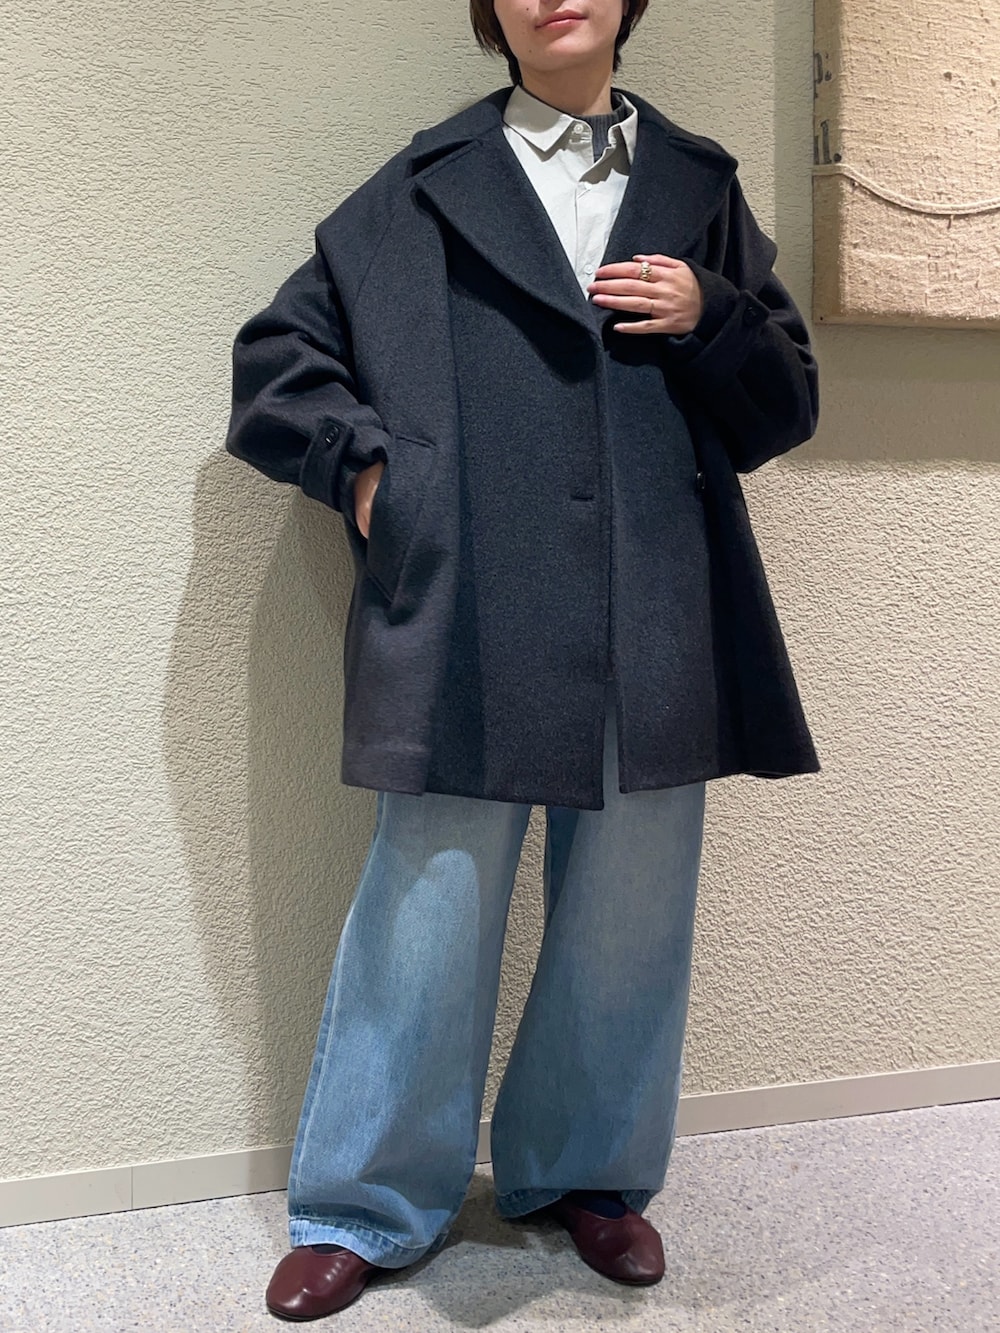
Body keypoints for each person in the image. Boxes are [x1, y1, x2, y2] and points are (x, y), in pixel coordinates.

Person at [225, 0, 820, 1321]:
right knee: (426, 908)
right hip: (468, 609)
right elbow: (276, 363)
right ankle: (365, 1203)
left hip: (656, 600)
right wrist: (368, 476)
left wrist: (714, 312)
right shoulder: (422, 188)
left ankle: (586, 1173)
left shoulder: (698, 187)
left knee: (630, 912)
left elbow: (784, 402)